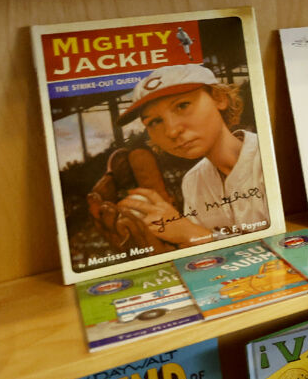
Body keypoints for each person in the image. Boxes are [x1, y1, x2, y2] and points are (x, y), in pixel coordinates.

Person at [114, 63, 273, 247]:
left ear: (219, 98)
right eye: (155, 122)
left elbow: (295, 242)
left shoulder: (270, 157)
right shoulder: (192, 182)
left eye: (182, 106)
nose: (172, 131)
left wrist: (193, 234)